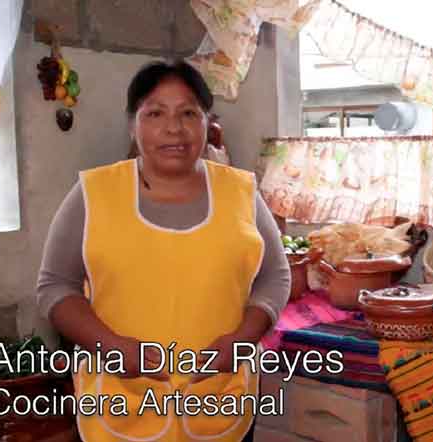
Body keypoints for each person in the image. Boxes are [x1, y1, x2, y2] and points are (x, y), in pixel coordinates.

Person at [36, 60, 291, 442]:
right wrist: (111, 347)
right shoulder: (93, 193)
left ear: (207, 123)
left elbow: (275, 275)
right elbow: (55, 286)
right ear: (132, 125)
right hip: (121, 403)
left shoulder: (241, 191)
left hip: (220, 399)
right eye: (155, 113)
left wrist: (241, 340)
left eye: (189, 113)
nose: (174, 128)